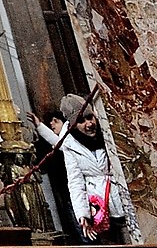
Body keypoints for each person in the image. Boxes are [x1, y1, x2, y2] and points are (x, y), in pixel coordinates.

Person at [43, 94, 131, 242]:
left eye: (90, 117)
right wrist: (82, 214)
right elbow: (75, 182)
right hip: (101, 210)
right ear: (73, 125)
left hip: (125, 202)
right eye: (81, 121)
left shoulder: (107, 131)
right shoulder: (70, 145)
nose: (89, 124)